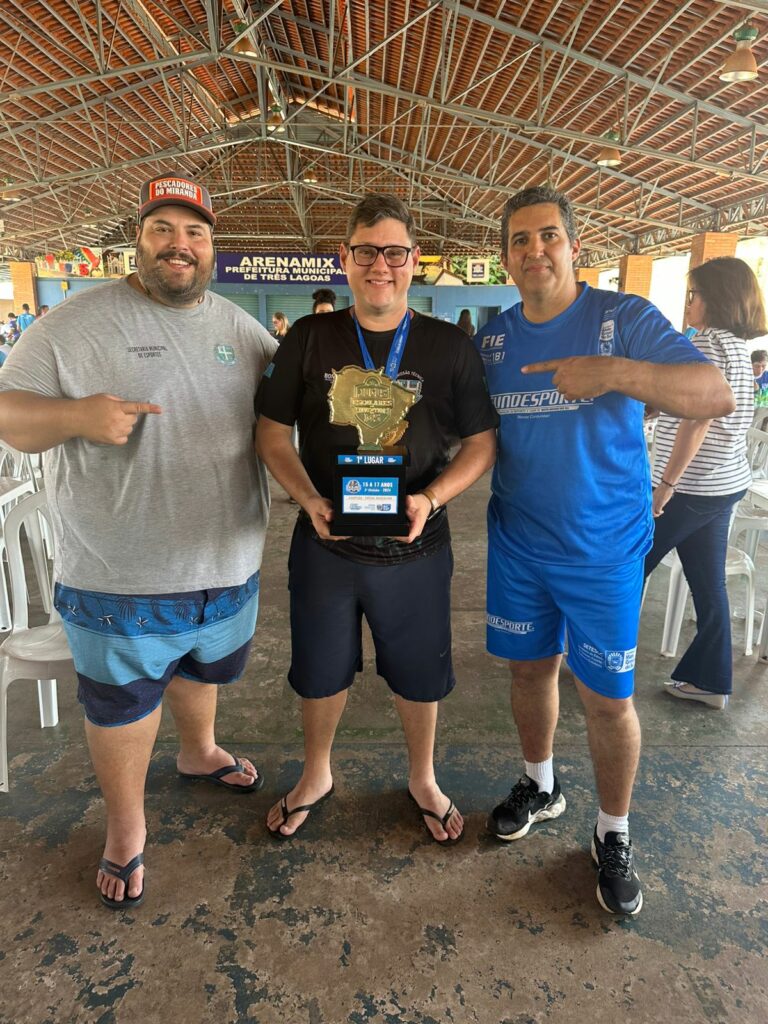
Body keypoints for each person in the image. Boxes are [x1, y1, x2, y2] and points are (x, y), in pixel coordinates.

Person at [0, 172, 277, 910]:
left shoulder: (244, 333)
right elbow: (8, 412)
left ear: (212, 246)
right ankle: (125, 830)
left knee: (201, 671)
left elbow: (290, 423)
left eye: (194, 232)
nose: (179, 245)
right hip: (118, 573)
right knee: (121, 708)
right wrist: (77, 417)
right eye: (163, 230)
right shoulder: (73, 323)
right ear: (140, 239)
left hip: (227, 562)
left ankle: (199, 752)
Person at [477, 185, 734, 916]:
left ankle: (612, 833)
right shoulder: (492, 340)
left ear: (574, 245)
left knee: (608, 701)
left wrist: (614, 373)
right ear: (505, 255)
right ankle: (542, 784)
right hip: (519, 543)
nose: (535, 251)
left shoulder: (623, 319)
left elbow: (714, 394)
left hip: (603, 551)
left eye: (548, 236)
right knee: (530, 673)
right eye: (520, 240)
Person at [256, 193, 498, 843]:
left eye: (395, 252)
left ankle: (422, 776)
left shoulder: (449, 346)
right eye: (367, 252)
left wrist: (432, 498)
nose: (381, 265)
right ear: (346, 259)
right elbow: (272, 433)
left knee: (420, 673)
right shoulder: (310, 339)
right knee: (319, 667)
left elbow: (481, 444)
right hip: (327, 542)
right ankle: (316, 773)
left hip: (417, 543)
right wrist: (308, 499)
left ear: (415, 261)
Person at [645, 258, 762, 709]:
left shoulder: (708, 345)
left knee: (627, 566)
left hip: (691, 488)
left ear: (717, 298)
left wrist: (666, 486)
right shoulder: (736, 347)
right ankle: (711, 681)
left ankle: (603, 660)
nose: (688, 302)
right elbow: (694, 402)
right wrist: (658, 408)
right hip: (725, 483)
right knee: (708, 583)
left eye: (694, 294)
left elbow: (698, 420)